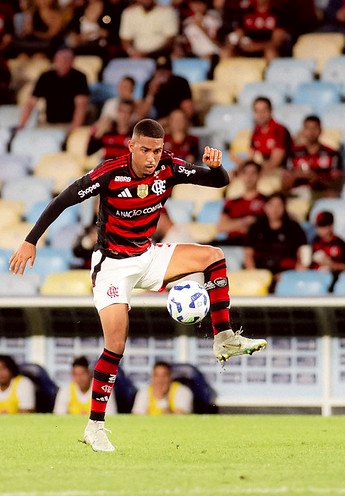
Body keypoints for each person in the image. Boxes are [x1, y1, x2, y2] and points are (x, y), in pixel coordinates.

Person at [9, 119, 267, 452]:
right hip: (112, 266)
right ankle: (95, 427)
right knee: (116, 344)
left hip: (147, 255)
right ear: (131, 146)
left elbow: (218, 182)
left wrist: (216, 168)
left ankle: (224, 338)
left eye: (157, 151)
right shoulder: (110, 173)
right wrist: (30, 241)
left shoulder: (169, 167)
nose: (151, 157)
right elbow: (63, 200)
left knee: (213, 256)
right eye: (145, 150)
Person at [16, 47, 89, 135]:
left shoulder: (79, 78)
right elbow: (31, 102)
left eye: (67, 59)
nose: (64, 62)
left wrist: (74, 130)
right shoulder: (46, 77)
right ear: (55, 60)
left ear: (73, 61)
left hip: (68, 124)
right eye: (61, 59)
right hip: (49, 124)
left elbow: (81, 105)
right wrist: (21, 125)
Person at [243, 192, 307, 273]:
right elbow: (248, 254)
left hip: (287, 272)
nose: (275, 209)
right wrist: (253, 272)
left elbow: (301, 250)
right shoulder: (256, 227)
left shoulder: (294, 227)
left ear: (284, 207)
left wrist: (299, 266)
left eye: (279, 206)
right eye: (271, 205)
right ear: (265, 207)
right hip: (260, 271)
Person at [284, 115, 343, 196]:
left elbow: (337, 185)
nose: (311, 132)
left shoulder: (332, 154)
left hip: (322, 194)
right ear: (303, 131)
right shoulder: (293, 154)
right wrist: (294, 176)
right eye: (307, 128)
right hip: (298, 194)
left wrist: (316, 178)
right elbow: (284, 186)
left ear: (320, 130)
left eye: (314, 128)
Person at [234, 97, 291, 175]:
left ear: (270, 111)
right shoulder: (256, 131)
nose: (260, 115)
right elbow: (251, 158)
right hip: (260, 170)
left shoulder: (280, 130)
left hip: (280, 172)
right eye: (257, 111)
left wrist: (254, 174)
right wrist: (238, 170)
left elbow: (275, 163)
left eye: (264, 111)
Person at [217, 160, 268, 246]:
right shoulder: (231, 202)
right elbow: (221, 227)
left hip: (257, 245)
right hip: (233, 245)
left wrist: (233, 225)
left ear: (259, 176)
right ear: (242, 176)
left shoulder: (267, 201)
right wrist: (244, 222)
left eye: (253, 173)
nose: (249, 177)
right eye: (246, 173)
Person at [54, 356, 118, 415]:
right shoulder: (65, 390)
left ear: (89, 373)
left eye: (83, 374)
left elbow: (111, 415)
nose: (80, 378)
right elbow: (59, 416)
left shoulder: (103, 390)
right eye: (76, 374)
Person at [138, 55, 194, 121]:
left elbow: (188, 111)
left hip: (176, 120)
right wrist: (151, 93)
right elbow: (141, 115)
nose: (162, 73)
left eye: (165, 70)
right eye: (159, 71)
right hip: (156, 122)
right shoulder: (148, 84)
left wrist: (166, 121)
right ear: (154, 72)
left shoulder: (180, 82)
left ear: (171, 71)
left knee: (177, 116)